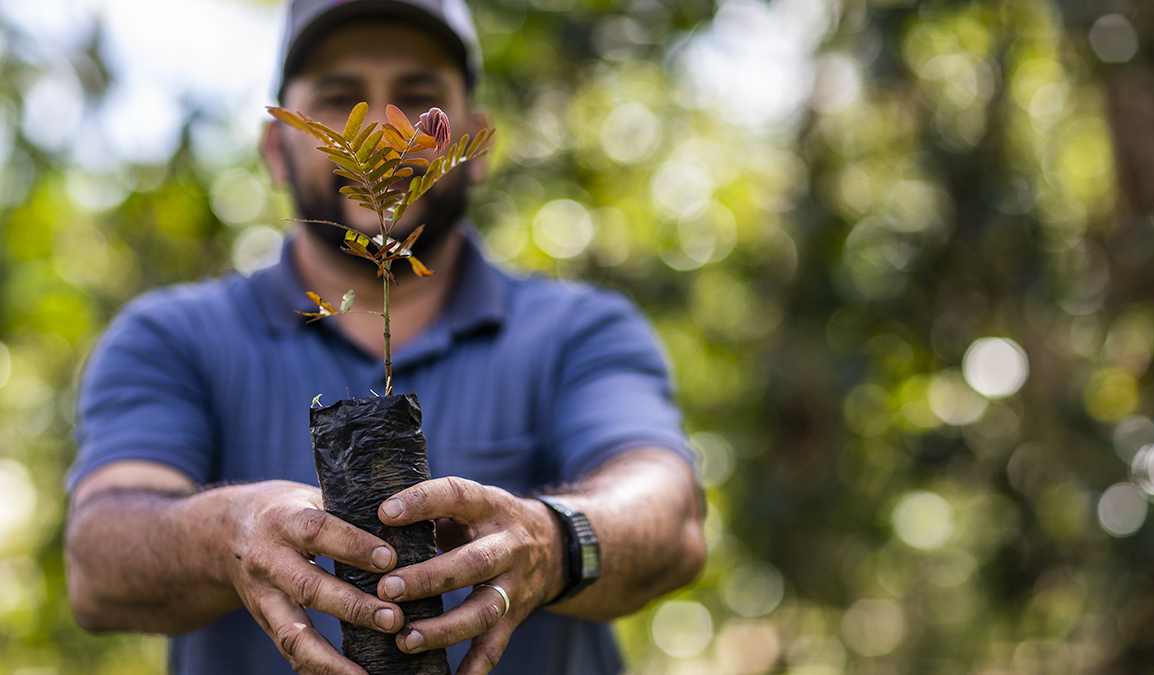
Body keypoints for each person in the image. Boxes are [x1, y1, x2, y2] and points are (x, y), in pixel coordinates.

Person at [63, 0, 707, 674]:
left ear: (476, 142)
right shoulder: (174, 336)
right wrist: (226, 530)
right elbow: (96, 561)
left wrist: (554, 538)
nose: (380, 131)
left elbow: (671, 514)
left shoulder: (578, 330)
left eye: (417, 98)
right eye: (340, 101)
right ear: (276, 149)